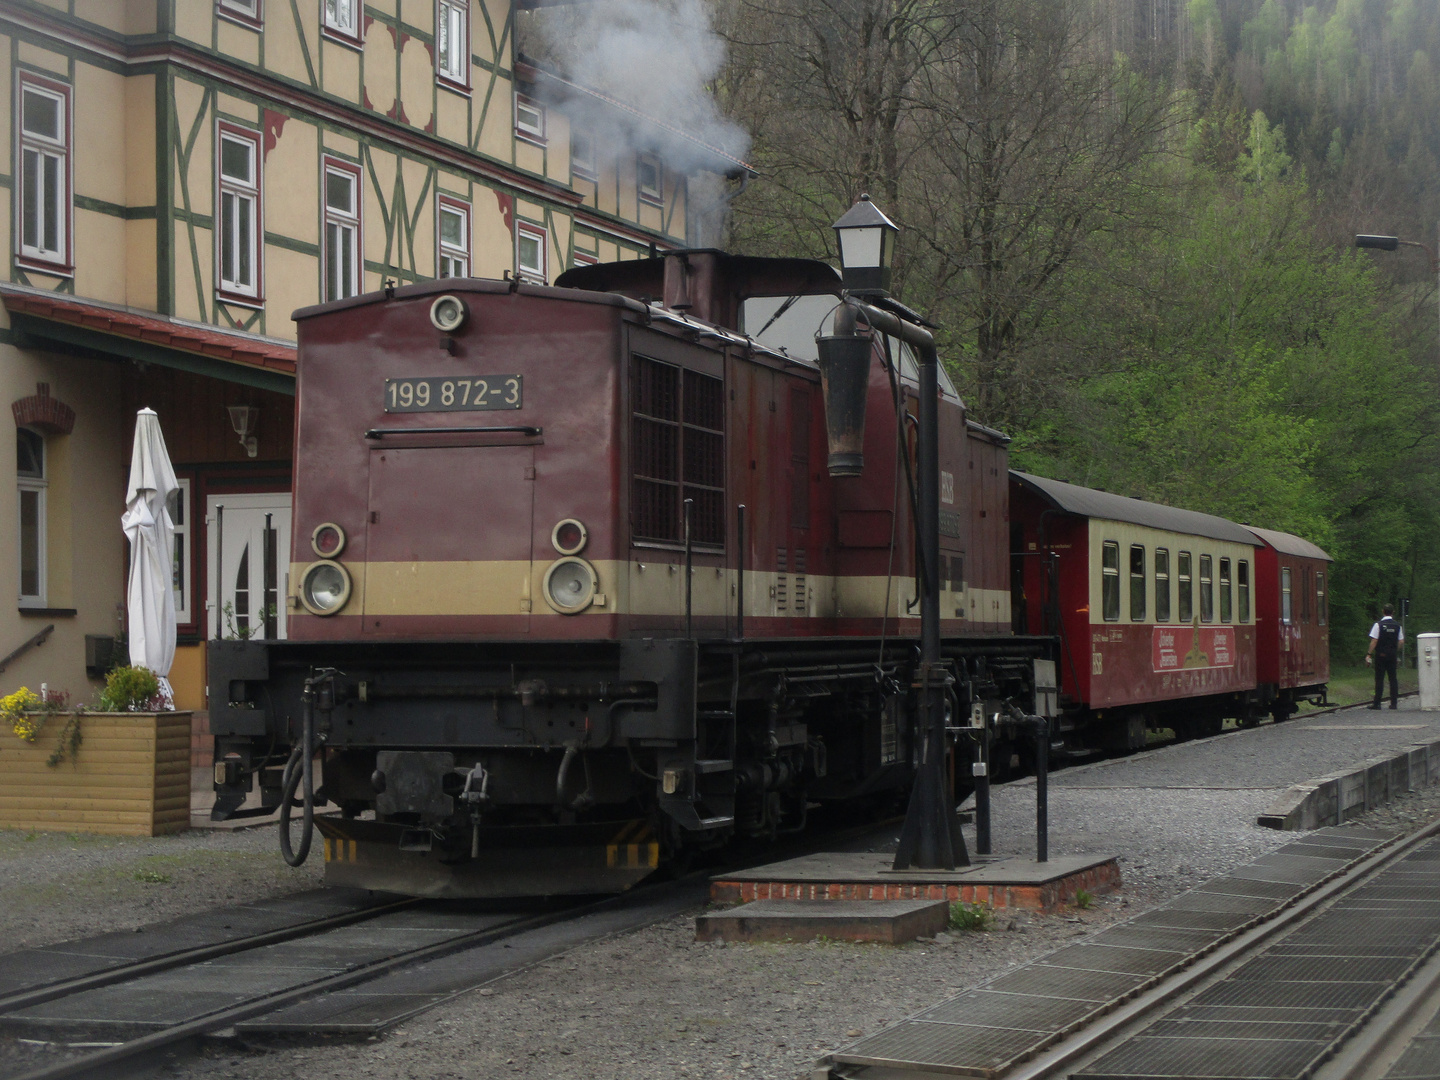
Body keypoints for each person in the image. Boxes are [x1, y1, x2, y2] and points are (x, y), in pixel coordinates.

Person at [1366, 604, 1404, 710]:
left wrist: (1369, 653)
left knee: (1379, 679)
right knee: (1393, 679)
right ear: (1393, 612)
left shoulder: (1378, 625)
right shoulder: (1397, 625)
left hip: (1381, 655)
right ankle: (1394, 703)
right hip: (1392, 655)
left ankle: (1377, 703)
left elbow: (1374, 640)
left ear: (1383, 611)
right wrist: (1395, 650)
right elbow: (1401, 641)